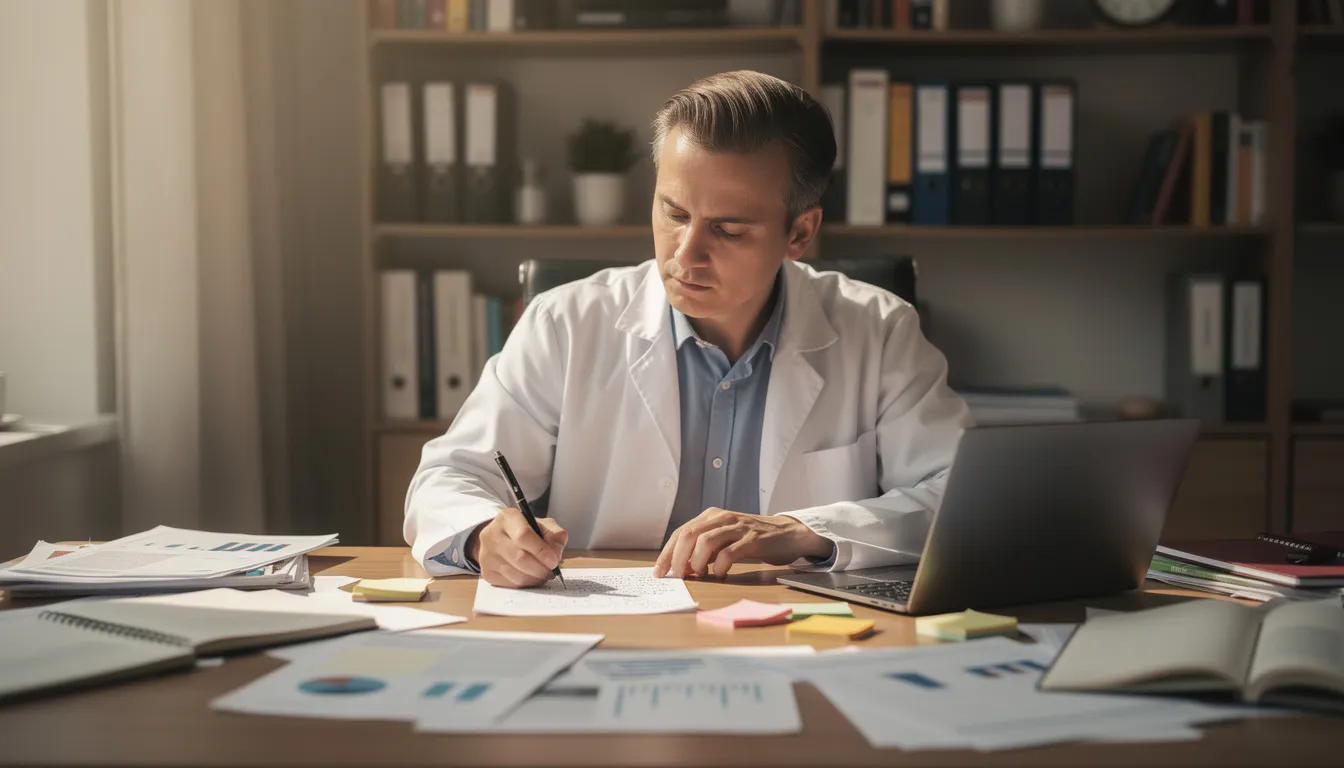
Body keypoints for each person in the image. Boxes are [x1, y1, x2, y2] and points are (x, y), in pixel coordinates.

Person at [403, 70, 971, 587]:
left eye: (727, 230)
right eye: (674, 214)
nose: (685, 255)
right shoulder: (566, 324)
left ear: (799, 232)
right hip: (607, 632)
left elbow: (960, 499)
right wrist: (483, 535)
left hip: (798, 633)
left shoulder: (880, 331)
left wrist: (806, 530)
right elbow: (448, 478)